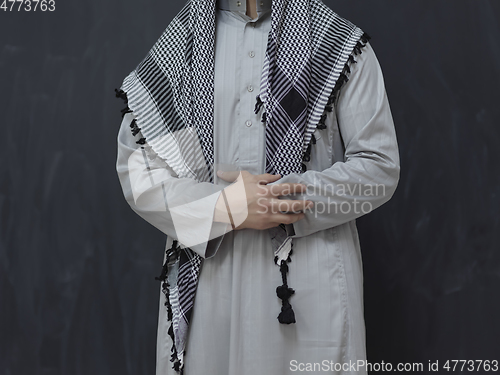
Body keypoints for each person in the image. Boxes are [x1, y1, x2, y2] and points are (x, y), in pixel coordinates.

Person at [116, 0, 400, 373]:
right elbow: (139, 172)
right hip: (209, 289)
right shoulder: (182, 45)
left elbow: (379, 168)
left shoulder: (336, 42)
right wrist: (228, 207)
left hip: (310, 288)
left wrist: (285, 199)